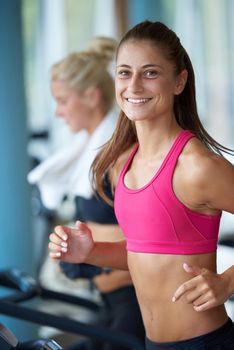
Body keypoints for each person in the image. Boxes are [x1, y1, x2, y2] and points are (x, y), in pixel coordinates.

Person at [48, 21, 234, 350]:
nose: (133, 85)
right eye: (124, 72)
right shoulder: (127, 163)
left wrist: (227, 282)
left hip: (205, 342)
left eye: (149, 73)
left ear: (179, 81)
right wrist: (90, 252)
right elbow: (144, 256)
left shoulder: (197, 166)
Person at [29, 37, 145, 350]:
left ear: (92, 97)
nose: (58, 112)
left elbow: (153, 237)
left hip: (135, 301)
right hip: (107, 300)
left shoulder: (119, 156)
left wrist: (91, 246)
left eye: (63, 101)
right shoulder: (93, 153)